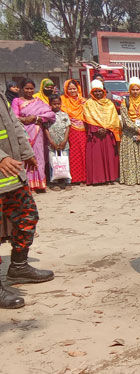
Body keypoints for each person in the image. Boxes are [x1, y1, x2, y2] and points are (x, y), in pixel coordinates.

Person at [0, 88, 54, 309]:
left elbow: (13, 125)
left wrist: (26, 152)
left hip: (12, 174)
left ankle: (19, 266)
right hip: (4, 166)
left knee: (27, 216)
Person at [11, 78, 56, 192]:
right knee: (25, 156)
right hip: (23, 132)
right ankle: (26, 184)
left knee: (38, 156)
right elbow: (13, 116)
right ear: (22, 89)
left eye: (31, 88)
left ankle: (39, 184)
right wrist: (24, 119)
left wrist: (36, 117)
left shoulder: (38, 101)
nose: (29, 91)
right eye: (27, 88)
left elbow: (50, 114)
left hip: (37, 131)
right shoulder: (17, 101)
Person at [83, 79, 121, 185]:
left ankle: (110, 178)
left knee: (109, 156)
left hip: (108, 134)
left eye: (99, 91)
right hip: (95, 135)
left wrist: (107, 128)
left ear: (103, 91)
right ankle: (98, 179)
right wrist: (97, 129)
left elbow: (114, 119)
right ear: (92, 92)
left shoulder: (109, 103)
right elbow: (87, 118)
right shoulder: (88, 104)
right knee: (97, 158)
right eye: (95, 91)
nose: (98, 93)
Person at [60, 80, 87, 184]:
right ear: (66, 90)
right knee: (74, 154)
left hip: (83, 130)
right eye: (70, 89)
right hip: (70, 130)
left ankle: (85, 178)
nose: (72, 91)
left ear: (78, 89)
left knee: (83, 152)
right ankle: (76, 178)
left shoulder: (83, 100)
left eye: (74, 88)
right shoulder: (63, 100)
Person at [44, 95, 71, 191]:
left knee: (64, 162)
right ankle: (54, 182)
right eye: (54, 104)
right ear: (50, 104)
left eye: (58, 104)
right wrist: (51, 141)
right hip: (52, 144)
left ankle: (67, 182)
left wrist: (64, 141)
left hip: (63, 143)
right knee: (53, 163)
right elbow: (46, 129)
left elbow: (68, 128)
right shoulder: (48, 116)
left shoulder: (64, 115)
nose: (56, 106)